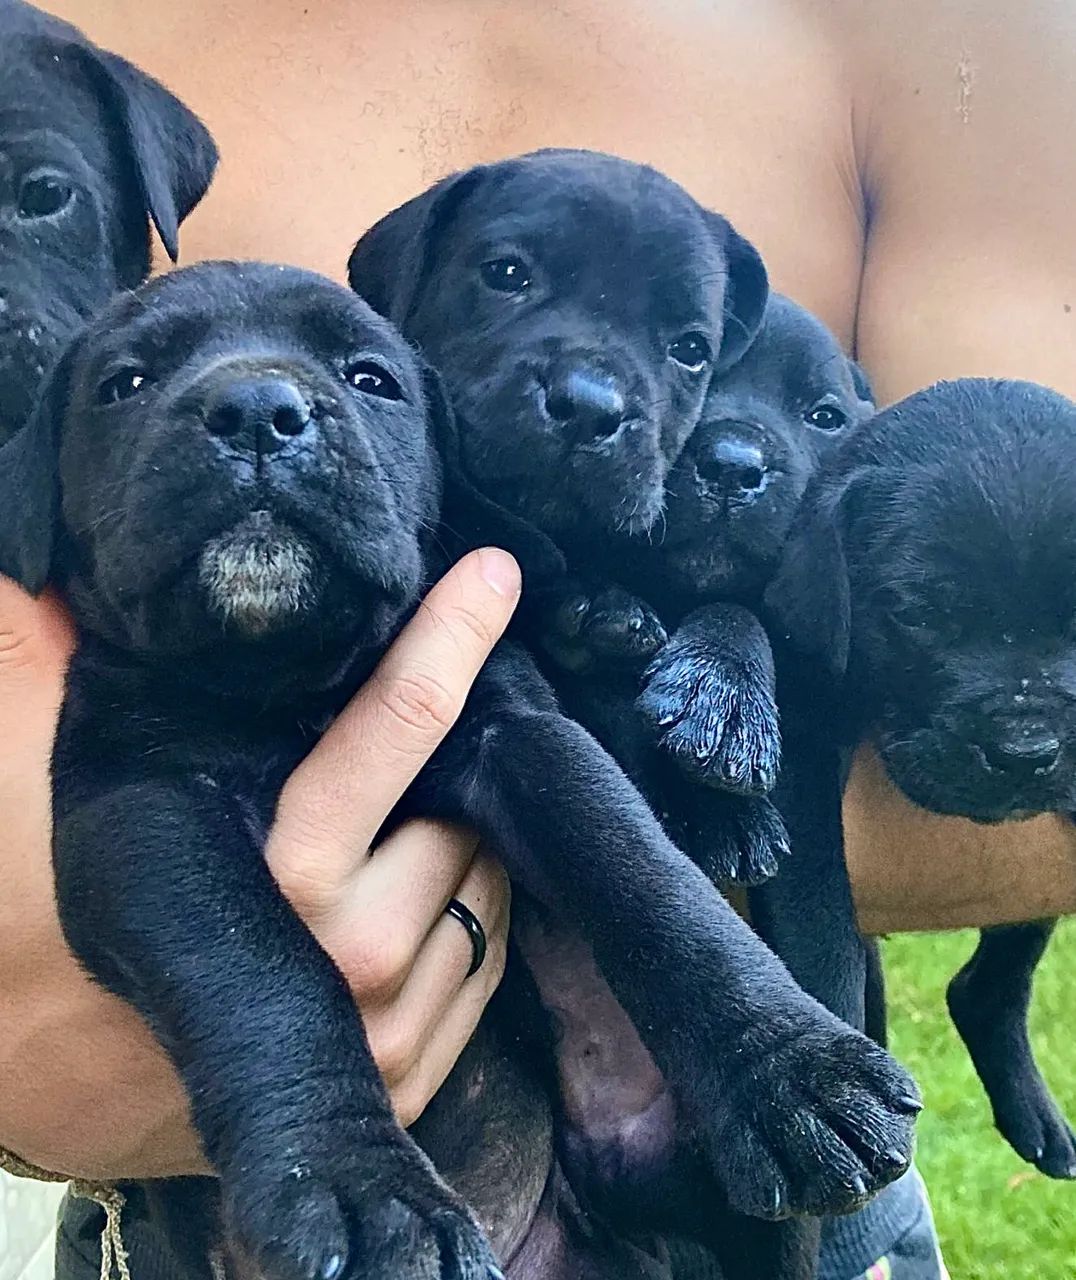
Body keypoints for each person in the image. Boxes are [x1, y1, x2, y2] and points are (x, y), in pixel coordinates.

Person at [3, 0, 1075, 1276]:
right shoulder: (53, 47)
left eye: (685, 348)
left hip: (716, 1129)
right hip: (213, 1204)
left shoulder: (959, 39)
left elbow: (1023, 645)